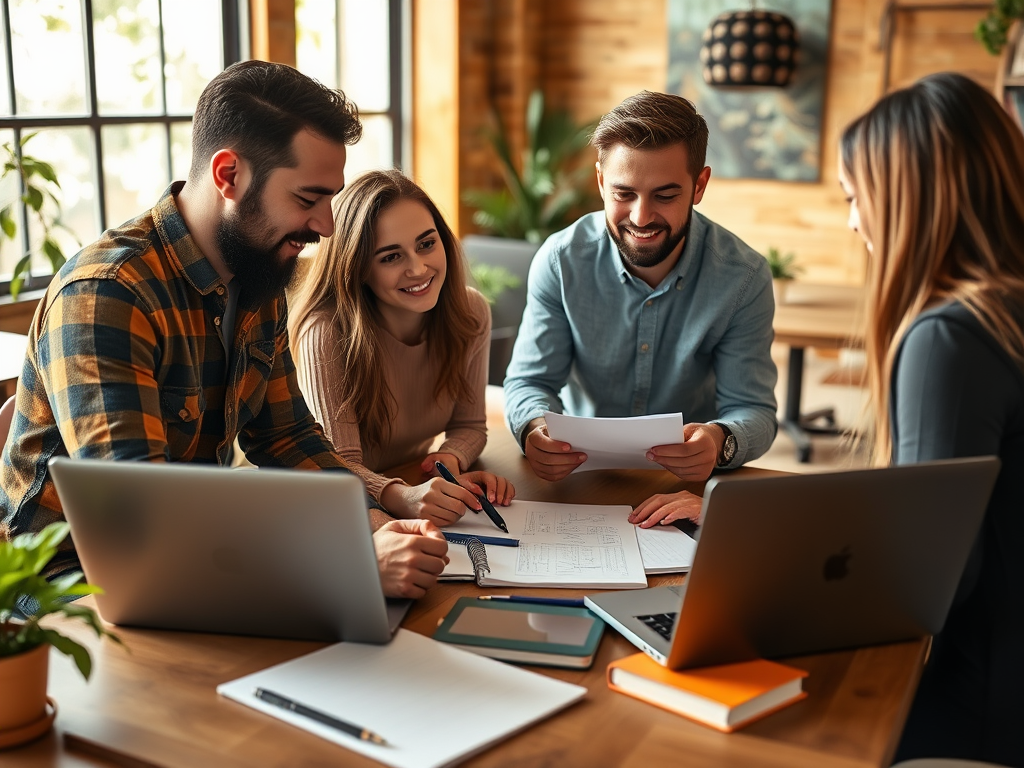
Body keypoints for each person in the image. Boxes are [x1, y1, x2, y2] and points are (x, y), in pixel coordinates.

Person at [0, 61, 448, 600]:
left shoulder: (255, 272)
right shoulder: (106, 295)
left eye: (331, 198)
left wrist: (377, 524)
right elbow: (142, 523)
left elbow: (286, 438)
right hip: (63, 592)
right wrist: (347, 562)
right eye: (308, 199)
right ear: (228, 175)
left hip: (186, 563)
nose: (326, 225)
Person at [838, 72, 1024, 766]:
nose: (854, 222)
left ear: (907, 196)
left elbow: (926, 580)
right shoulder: (1009, 310)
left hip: (982, 704)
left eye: (856, 198)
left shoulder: (952, 335)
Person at [503, 90, 778, 525]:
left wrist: (721, 439)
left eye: (665, 196)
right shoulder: (560, 261)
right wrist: (535, 429)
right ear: (599, 183)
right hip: (579, 482)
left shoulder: (743, 278)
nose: (641, 217)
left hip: (683, 492)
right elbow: (529, 381)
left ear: (699, 185)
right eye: (623, 194)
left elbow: (754, 410)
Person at [289, 169, 515, 525]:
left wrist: (447, 464)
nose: (418, 268)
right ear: (358, 268)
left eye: (427, 243)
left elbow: (470, 425)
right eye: (391, 257)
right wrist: (404, 495)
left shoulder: (470, 312)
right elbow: (338, 466)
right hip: (328, 511)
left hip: (408, 484)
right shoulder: (325, 331)